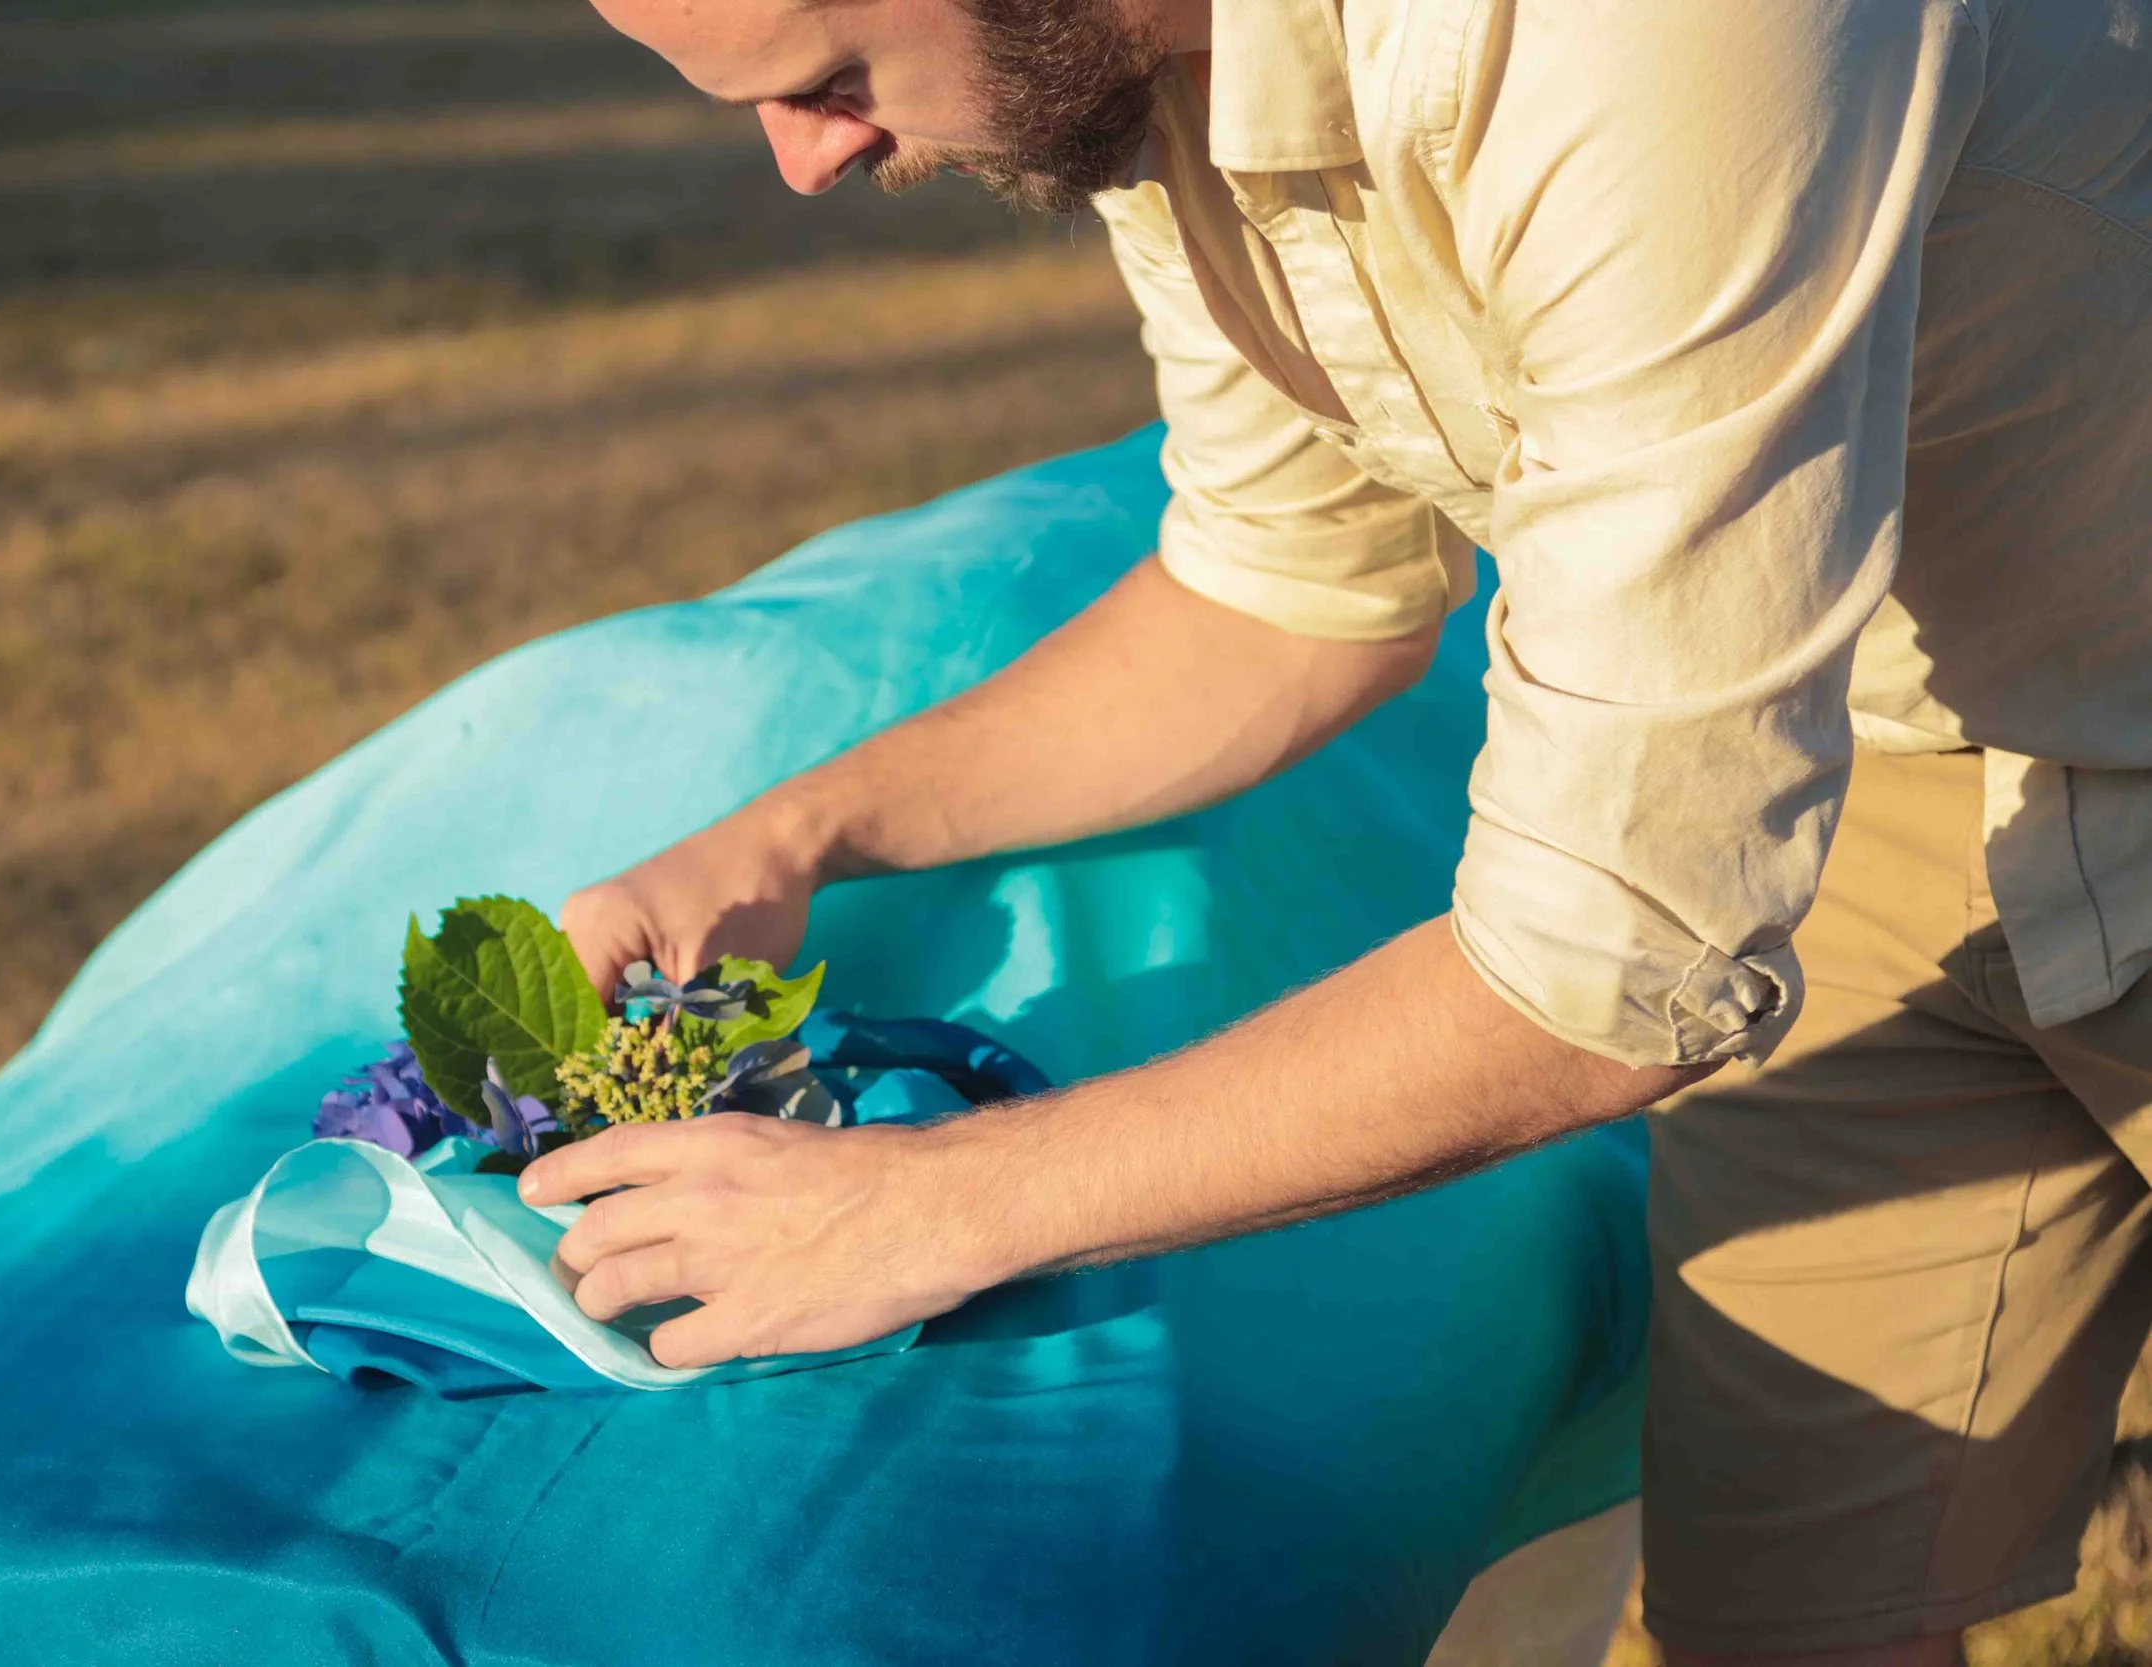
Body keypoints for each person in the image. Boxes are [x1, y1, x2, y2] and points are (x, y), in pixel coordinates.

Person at [514, 0, 2152, 1657]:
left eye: (825, 77)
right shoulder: (1131, 64)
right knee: (1785, 1623)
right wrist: (792, 837)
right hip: (1876, 769)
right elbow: (1295, 591)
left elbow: (1619, 946)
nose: (802, 161)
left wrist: (921, 1206)